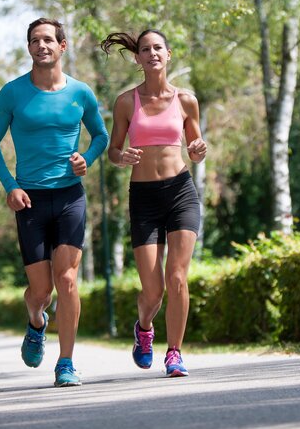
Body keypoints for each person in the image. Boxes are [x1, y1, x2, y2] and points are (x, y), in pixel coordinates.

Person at [0, 18, 109, 387]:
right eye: (35, 40)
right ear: (29, 48)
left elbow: (100, 136)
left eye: (49, 39)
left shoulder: (81, 93)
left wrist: (87, 158)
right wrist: (10, 186)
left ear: (62, 46)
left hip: (69, 195)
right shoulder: (13, 93)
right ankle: (36, 320)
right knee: (40, 291)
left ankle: (66, 362)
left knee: (67, 280)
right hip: (30, 200)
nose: (42, 45)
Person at [101, 29, 207, 377]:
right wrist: (121, 156)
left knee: (177, 277)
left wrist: (197, 150)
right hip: (144, 197)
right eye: (145, 49)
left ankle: (174, 352)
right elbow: (113, 150)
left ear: (168, 53)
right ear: (138, 58)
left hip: (180, 192)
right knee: (153, 290)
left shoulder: (186, 100)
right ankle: (144, 328)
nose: (152, 53)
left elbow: (196, 145)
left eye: (157, 48)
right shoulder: (126, 102)